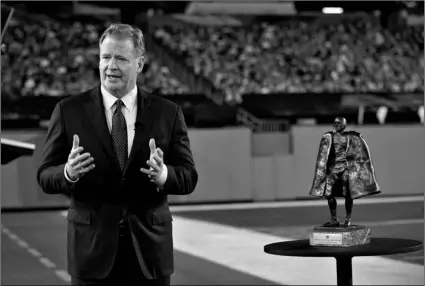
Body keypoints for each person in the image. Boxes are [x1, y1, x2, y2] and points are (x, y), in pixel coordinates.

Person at [37, 23, 198, 286]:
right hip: (91, 253)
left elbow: (189, 177)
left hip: (149, 255)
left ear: (140, 64)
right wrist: (68, 172)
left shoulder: (168, 113)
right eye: (105, 57)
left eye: (121, 58)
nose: (111, 65)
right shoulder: (68, 111)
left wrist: (163, 175)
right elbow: (45, 175)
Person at [309, 117, 380, 227]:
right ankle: (334, 219)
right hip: (333, 169)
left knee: (348, 194)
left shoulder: (350, 136)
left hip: (345, 169)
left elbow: (358, 151)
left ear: (343, 125)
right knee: (328, 194)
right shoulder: (329, 136)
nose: (335, 125)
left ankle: (348, 219)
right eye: (335, 123)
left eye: (338, 123)